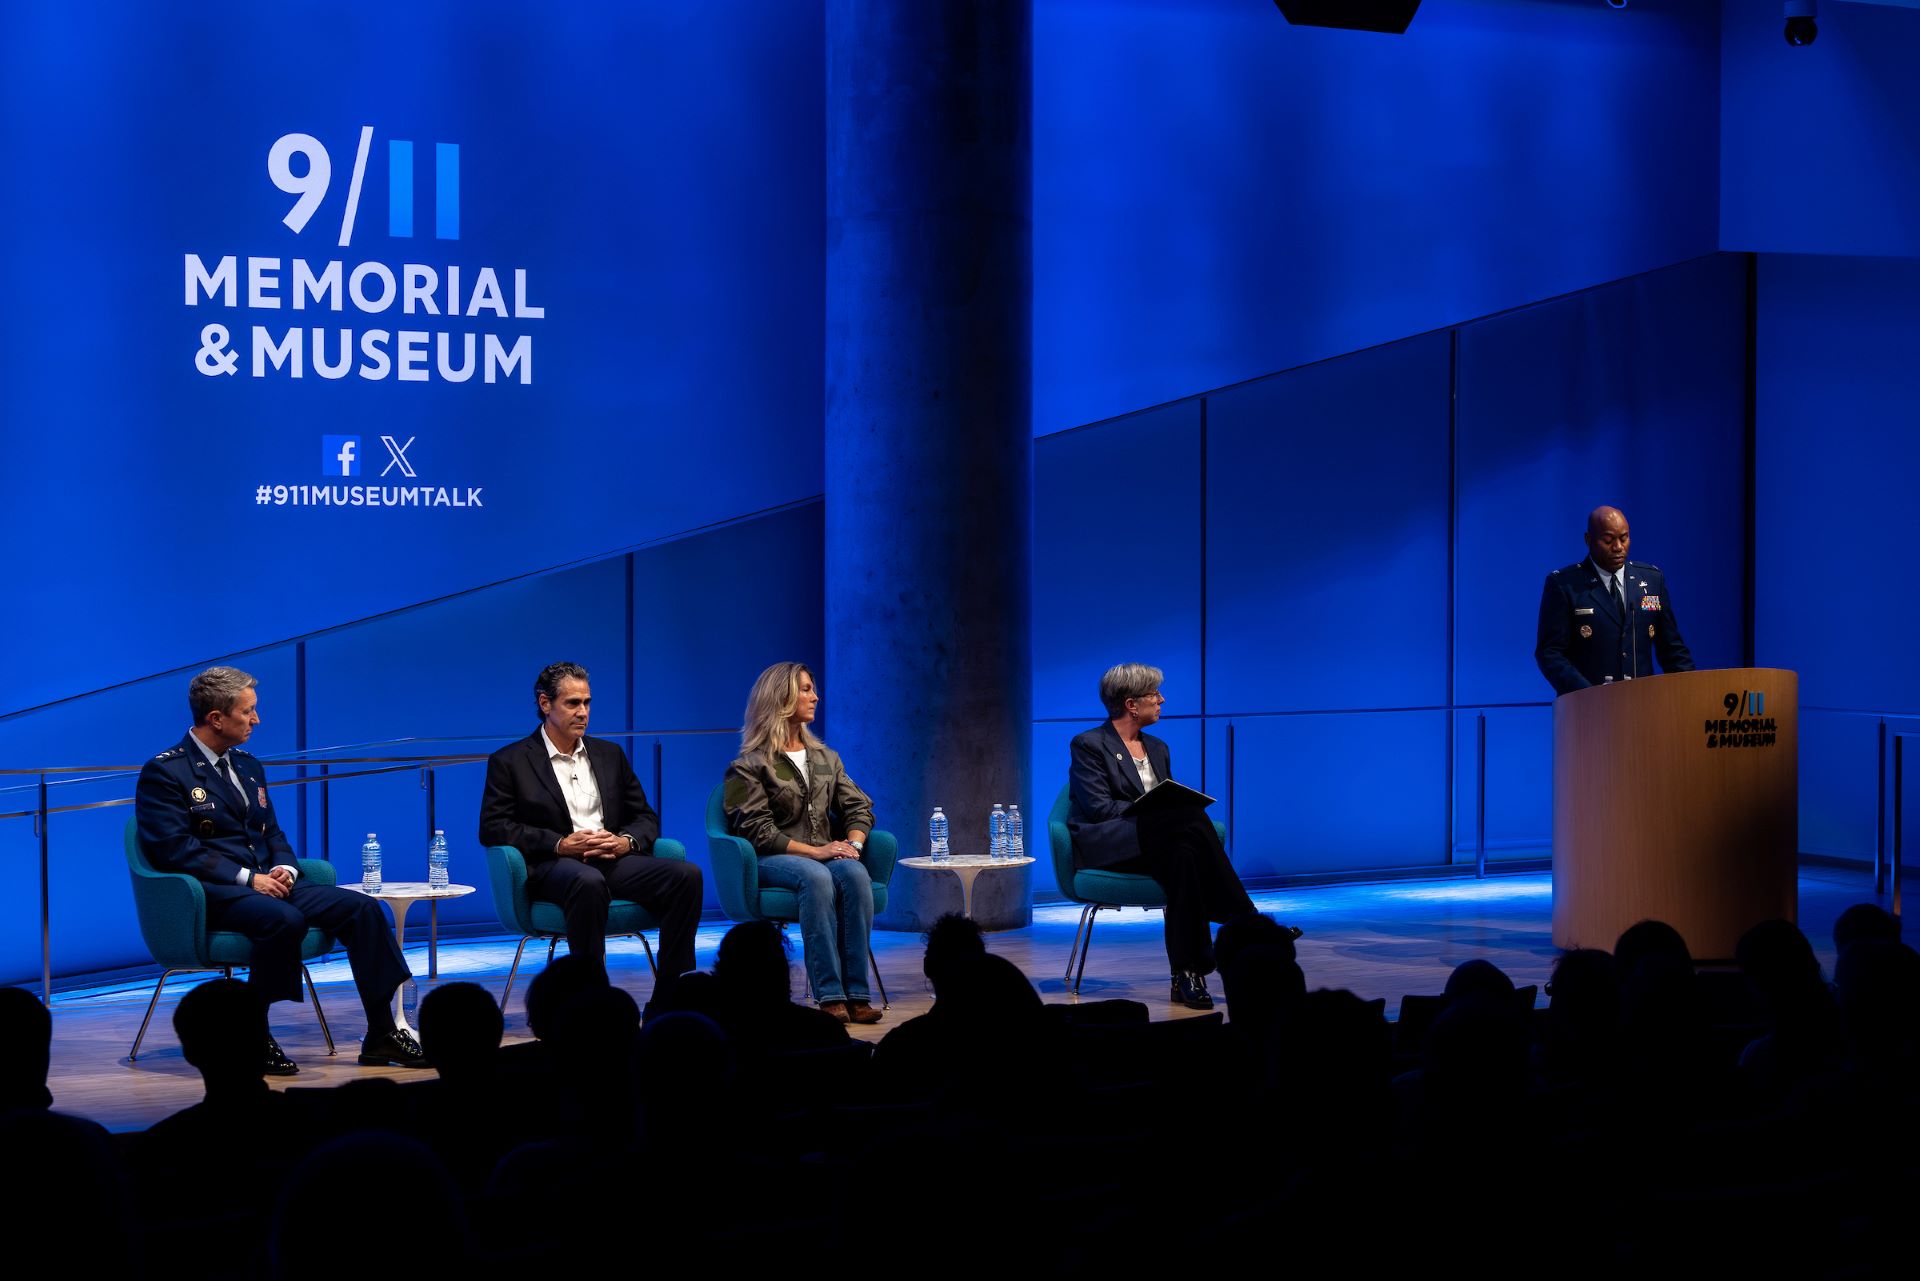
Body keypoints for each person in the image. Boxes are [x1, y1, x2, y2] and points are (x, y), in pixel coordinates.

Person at [134, 667, 423, 1073]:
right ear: (216, 718)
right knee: (282, 920)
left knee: (363, 909)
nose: (257, 719)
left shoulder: (249, 766)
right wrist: (249, 878)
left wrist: (285, 866)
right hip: (213, 892)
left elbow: (271, 831)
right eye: (248, 711)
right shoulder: (166, 772)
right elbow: (173, 849)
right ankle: (253, 1036)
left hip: (267, 882)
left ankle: (382, 1033)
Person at [478, 661, 704, 980]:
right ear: (545, 704)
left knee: (687, 876)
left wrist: (625, 842)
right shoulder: (510, 761)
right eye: (572, 703)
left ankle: (673, 995)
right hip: (553, 866)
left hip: (611, 860)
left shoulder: (610, 755)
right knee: (587, 881)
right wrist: (559, 844)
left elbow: (645, 817)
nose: (583, 712)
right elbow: (493, 827)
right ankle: (591, 998)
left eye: (587, 702)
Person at [1067, 663, 1256, 1009]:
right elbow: (1098, 808)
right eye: (1155, 695)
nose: (1162, 700)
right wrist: (1154, 811)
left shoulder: (1157, 747)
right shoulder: (1089, 744)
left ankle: (1187, 975)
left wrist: (1163, 814)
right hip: (1112, 842)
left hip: (1161, 844)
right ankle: (1249, 923)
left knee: (1183, 856)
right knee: (1185, 816)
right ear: (1131, 705)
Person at [721, 661, 881, 1024]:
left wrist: (852, 847)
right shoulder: (746, 766)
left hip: (825, 853)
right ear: (781, 698)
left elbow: (859, 807)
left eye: (812, 689)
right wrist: (818, 852)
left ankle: (857, 993)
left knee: (854, 875)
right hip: (773, 857)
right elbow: (754, 830)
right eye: (806, 689)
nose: (815, 696)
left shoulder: (826, 759)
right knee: (816, 877)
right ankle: (829, 994)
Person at [1535, 505, 1693, 696]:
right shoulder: (1565, 585)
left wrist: (1690, 692)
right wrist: (1589, 694)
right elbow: (1550, 653)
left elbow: (1672, 649)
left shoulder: (1651, 580)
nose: (1618, 547)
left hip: (1642, 705)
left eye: (1624, 538)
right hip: (1587, 709)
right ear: (1589, 540)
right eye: (1608, 540)